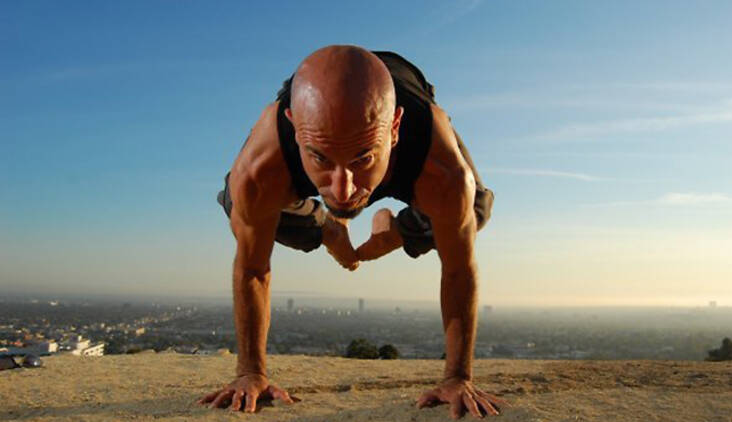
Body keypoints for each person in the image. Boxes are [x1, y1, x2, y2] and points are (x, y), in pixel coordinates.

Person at [199, 45, 506, 419]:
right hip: (305, 123)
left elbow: (458, 269)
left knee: (472, 209)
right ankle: (326, 225)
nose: (343, 189)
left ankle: (395, 231)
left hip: (406, 95)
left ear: (393, 130)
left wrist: (458, 376)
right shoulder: (263, 166)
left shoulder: (438, 165)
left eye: (363, 159)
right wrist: (250, 372)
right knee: (240, 203)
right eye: (321, 159)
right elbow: (252, 269)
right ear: (296, 129)